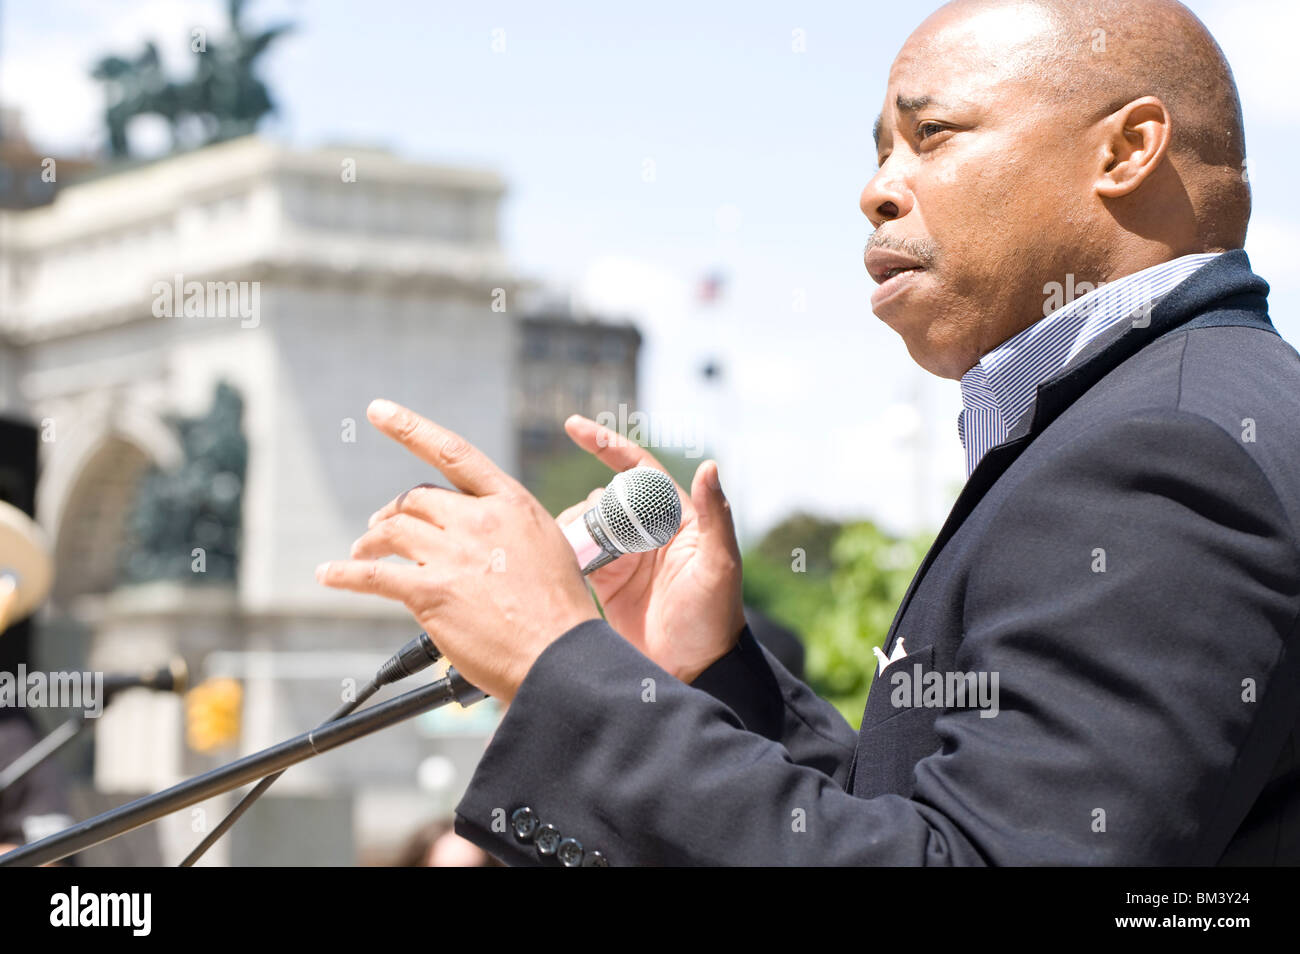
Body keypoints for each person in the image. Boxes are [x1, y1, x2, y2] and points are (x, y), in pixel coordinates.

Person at [315, 0, 1300, 865]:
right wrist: (707, 672)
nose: (877, 188)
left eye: (933, 135)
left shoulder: (1160, 452)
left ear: (1125, 151)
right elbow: (927, 827)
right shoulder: (1148, 412)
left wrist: (557, 664)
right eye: (879, 149)